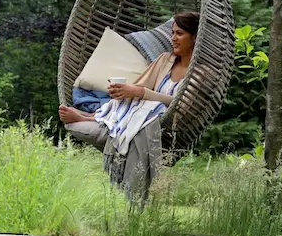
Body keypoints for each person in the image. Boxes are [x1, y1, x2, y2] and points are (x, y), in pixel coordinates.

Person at [59, 11, 199, 154]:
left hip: (166, 118)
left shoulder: (199, 72)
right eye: (172, 33)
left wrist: (142, 93)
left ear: (194, 37)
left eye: (179, 34)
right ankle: (91, 116)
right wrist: (124, 90)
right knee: (133, 97)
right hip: (146, 107)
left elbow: (183, 105)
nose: (173, 38)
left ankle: (93, 119)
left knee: (147, 104)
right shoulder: (165, 59)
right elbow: (141, 85)